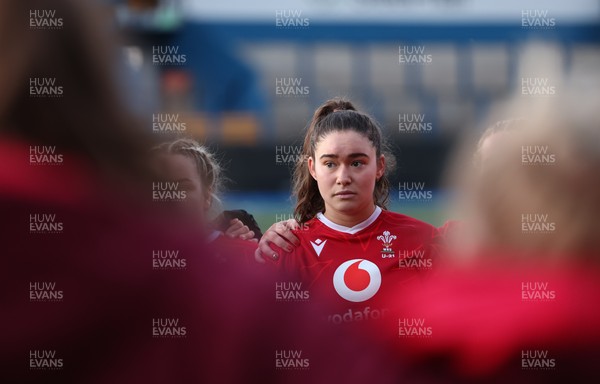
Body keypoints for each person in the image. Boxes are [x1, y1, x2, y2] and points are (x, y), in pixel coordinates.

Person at [0, 1, 400, 382]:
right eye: (331, 163)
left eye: (356, 162)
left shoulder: (234, 269)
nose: (170, 199)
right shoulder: (174, 276)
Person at [260, 98, 442, 329]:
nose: (343, 177)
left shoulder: (424, 241)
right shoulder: (287, 249)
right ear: (313, 168)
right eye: (330, 164)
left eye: (356, 163)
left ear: (379, 166)